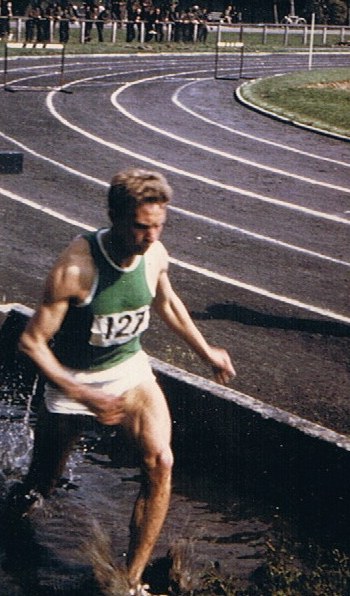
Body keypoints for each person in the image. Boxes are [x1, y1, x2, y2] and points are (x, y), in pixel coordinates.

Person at [15, 168, 236, 594]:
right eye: (140, 226)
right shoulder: (76, 267)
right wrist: (83, 393)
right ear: (114, 216)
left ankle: (130, 582)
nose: (151, 236)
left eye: (159, 225)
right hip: (74, 381)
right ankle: (11, 526)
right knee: (42, 485)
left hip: (129, 370)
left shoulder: (154, 253)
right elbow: (32, 342)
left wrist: (206, 351)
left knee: (161, 462)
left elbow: (166, 302)